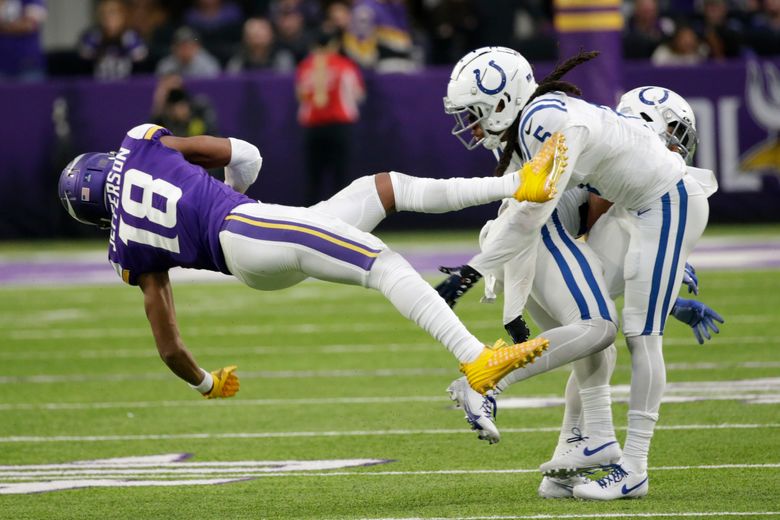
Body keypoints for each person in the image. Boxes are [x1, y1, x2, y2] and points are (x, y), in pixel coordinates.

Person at [56, 123, 566, 401]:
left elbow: (167, 344)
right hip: (250, 227)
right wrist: (229, 197)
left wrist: (206, 382)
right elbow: (248, 155)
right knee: (382, 263)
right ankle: (476, 357)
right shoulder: (143, 141)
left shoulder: (127, 251)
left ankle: (516, 185)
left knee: (381, 189)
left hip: (249, 251)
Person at [437, 47, 716, 500]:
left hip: (666, 201)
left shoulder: (542, 120)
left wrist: (473, 272)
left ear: (503, 102)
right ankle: (588, 441)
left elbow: (534, 213)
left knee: (639, 336)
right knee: (598, 330)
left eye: (475, 112)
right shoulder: (531, 128)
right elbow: (528, 214)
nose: (468, 124)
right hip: (648, 205)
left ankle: (634, 468)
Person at [296, 31, 365, 205]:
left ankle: (309, 223)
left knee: (314, 179)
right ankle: (342, 220)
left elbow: (300, 96)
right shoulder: (344, 64)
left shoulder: (306, 66)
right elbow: (358, 94)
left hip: (313, 128)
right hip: (339, 125)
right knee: (341, 178)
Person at [79, 0, 148, 81]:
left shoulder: (130, 36)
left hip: (126, 86)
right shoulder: (94, 36)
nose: (108, 18)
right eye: (104, 14)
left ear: (123, 15)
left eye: (112, 13)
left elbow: (141, 58)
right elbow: (84, 57)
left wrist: (125, 42)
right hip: (98, 86)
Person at [226, 17, 296, 74]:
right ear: (245, 37)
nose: (257, 34)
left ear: (271, 35)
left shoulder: (282, 59)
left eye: (261, 30)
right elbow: (231, 85)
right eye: (253, 32)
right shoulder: (237, 62)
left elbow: (286, 85)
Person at [0, 0, 46, 82]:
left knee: (30, 93)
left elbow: (29, 25)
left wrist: (4, 26)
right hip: (2, 62)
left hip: (28, 64)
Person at [155, 26, 220, 78]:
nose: (185, 50)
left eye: (189, 46)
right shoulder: (165, 65)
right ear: (173, 48)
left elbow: (213, 88)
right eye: (181, 46)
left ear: (198, 47)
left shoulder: (208, 64)